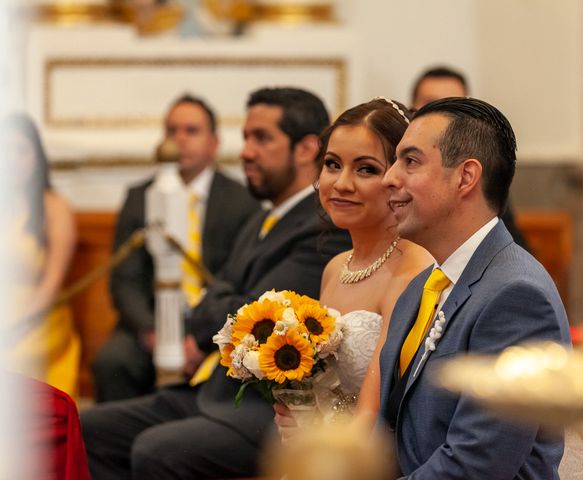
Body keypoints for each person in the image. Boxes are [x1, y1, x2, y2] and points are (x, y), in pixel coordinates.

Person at [80, 87, 352, 480]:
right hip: (213, 389)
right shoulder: (262, 219)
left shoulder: (324, 229)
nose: (245, 151)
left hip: (263, 410)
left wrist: (222, 301)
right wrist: (223, 301)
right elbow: (221, 297)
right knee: (91, 429)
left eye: (261, 138)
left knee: (156, 451)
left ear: (307, 148)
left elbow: (251, 315)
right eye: (244, 137)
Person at [379, 97, 571, 479]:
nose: (389, 177)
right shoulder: (422, 286)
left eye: (411, 161)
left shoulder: (516, 296)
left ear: (466, 177)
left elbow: (477, 464)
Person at [274, 98, 433, 439]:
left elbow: (376, 416)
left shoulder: (413, 269)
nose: (341, 184)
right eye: (332, 164)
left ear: (399, 178)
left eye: (365, 169)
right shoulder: (335, 267)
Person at [93, 94, 260, 402]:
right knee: (113, 361)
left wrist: (202, 339)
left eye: (191, 130)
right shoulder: (140, 196)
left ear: (214, 142)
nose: (180, 139)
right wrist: (151, 332)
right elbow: (125, 281)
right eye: (172, 131)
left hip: (214, 323)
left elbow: (237, 279)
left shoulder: (243, 201)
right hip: (150, 323)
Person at [410, 65, 530, 251]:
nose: (443, 116)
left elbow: (512, 247)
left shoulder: (483, 174)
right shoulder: (392, 172)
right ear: (413, 109)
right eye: (432, 104)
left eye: (454, 105)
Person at [2, 113, 80, 397]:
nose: (11, 159)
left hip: (39, 318)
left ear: (36, 157)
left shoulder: (53, 206)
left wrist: (15, 324)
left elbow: (53, 281)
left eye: (20, 150)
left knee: (13, 359)